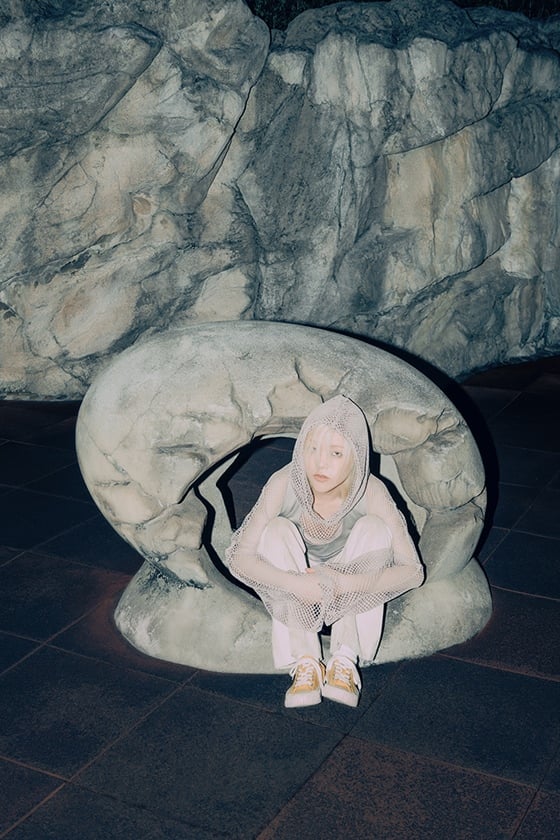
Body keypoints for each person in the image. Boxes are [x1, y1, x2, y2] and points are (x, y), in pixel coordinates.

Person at [225, 395, 424, 708]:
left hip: (352, 570)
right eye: (312, 448)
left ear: (356, 456)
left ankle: (345, 658)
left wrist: (343, 582)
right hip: (297, 570)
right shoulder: (283, 483)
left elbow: (412, 571)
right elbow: (239, 557)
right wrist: (296, 584)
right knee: (275, 529)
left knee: (375, 528)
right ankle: (305, 660)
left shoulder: (372, 491)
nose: (320, 463)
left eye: (336, 453)